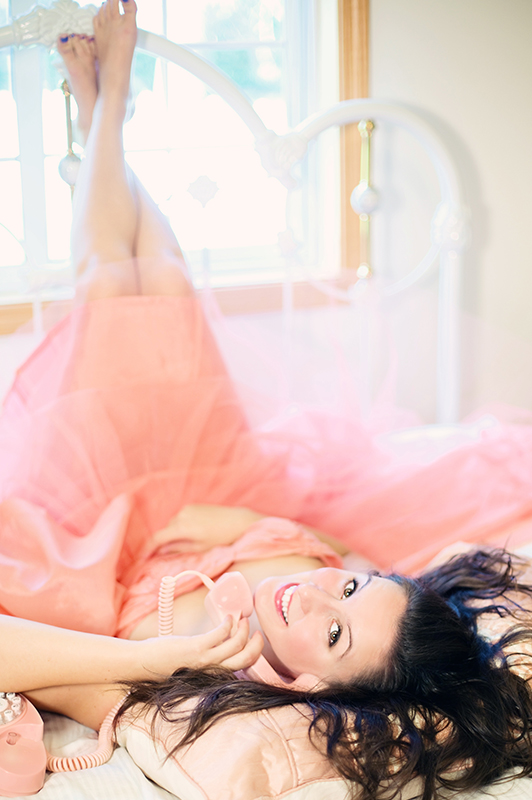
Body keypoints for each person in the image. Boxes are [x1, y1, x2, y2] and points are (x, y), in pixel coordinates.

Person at [2, 3, 532, 799]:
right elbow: (309, 545)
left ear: (319, 690)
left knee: (110, 283)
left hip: (99, 510)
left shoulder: (205, 685)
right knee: (170, 274)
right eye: (353, 588)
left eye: (334, 628)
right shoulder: (322, 585)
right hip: (224, 476)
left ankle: (102, 114)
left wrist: (142, 665)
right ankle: (107, 113)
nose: (320, 593)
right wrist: (250, 531)